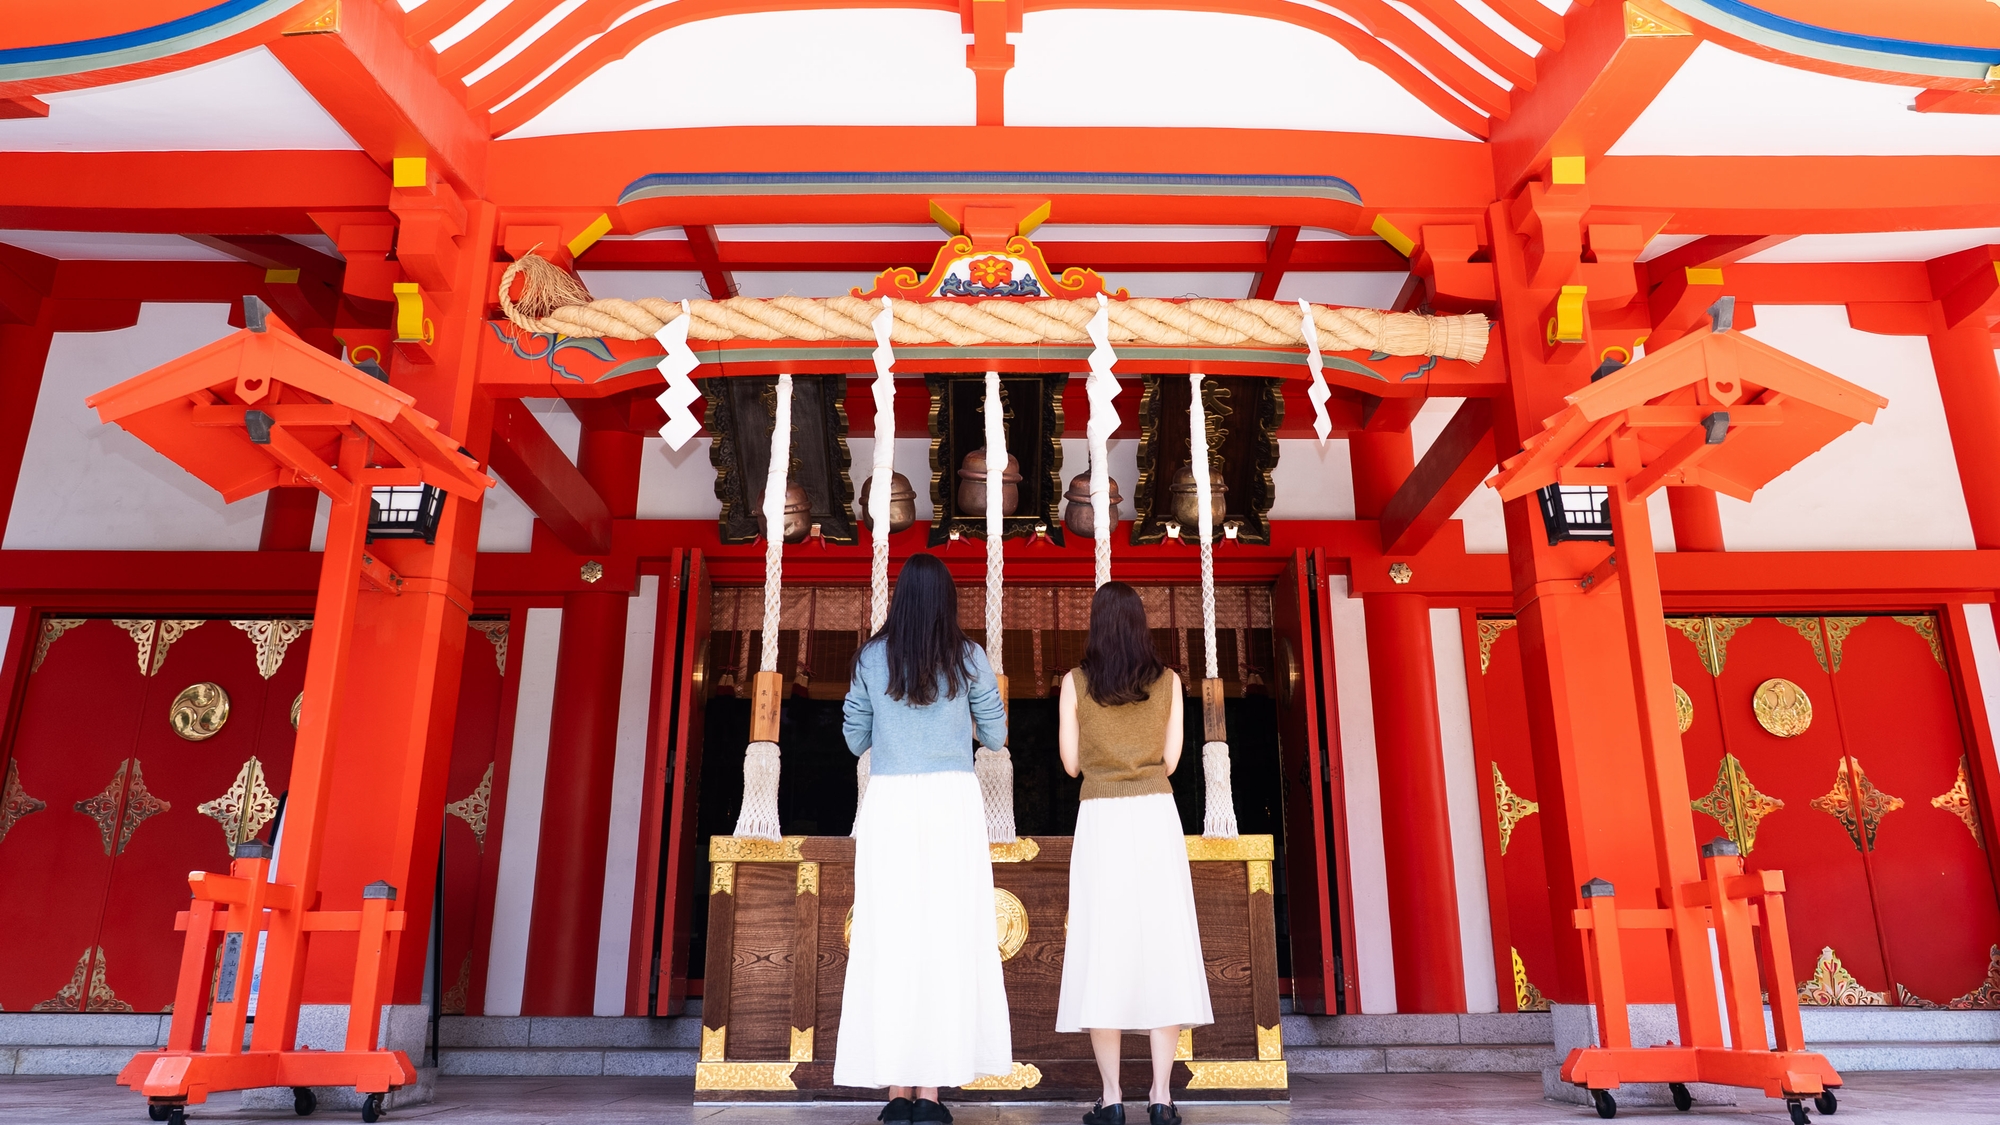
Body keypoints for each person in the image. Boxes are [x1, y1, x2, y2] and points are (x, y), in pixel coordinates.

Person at [836, 552, 1012, 1123]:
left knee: (890, 939)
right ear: (947, 600)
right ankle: (932, 1095)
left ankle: (895, 1096)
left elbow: (854, 737)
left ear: (899, 597)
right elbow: (996, 733)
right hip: (950, 802)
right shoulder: (969, 658)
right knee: (945, 938)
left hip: (890, 800)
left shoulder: (871, 656)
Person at [1056, 581, 1213, 1125]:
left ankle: (1113, 1097)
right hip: (1154, 816)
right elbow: (1171, 762)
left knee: (1105, 947)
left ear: (1096, 626)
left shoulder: (1075, 684)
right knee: (1161, 943)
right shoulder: (1169, 682)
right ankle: (1162, 1097)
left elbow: (1070, 765)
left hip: (1101, 817)